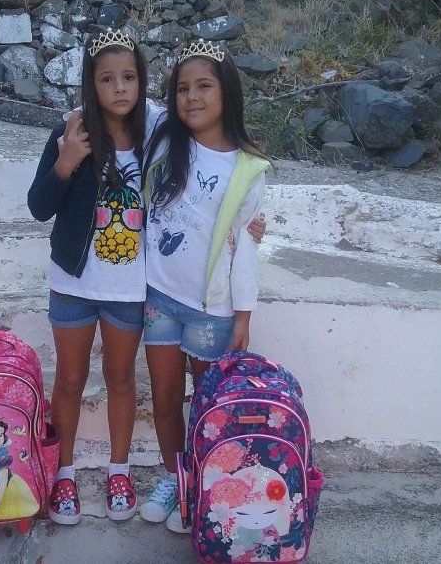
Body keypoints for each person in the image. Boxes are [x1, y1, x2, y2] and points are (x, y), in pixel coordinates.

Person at [138, 39, 272, 533]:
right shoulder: (165, 140)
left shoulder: (247, 169)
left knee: (208, 403)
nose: (191, 97)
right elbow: (121, 94)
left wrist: (244, 315)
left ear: (226, 92)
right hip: (159, 299)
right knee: (165, 398)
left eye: (204, 86)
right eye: (182, 88)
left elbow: (246, 248)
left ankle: (202, 481)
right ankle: (175, 477)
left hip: (211, 311)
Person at [27, 28, 150, 524]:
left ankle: (119, 470)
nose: (119, 88)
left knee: (121, 379)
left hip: (129, 289)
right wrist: (65, 163)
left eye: (129, 77)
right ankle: (64, 473)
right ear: (90, 84)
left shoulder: (155, 137)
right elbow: (39, 207)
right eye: (107, 79)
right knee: (71, 379)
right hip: (73, 283)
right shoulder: (71, 131)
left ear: (141, 81)